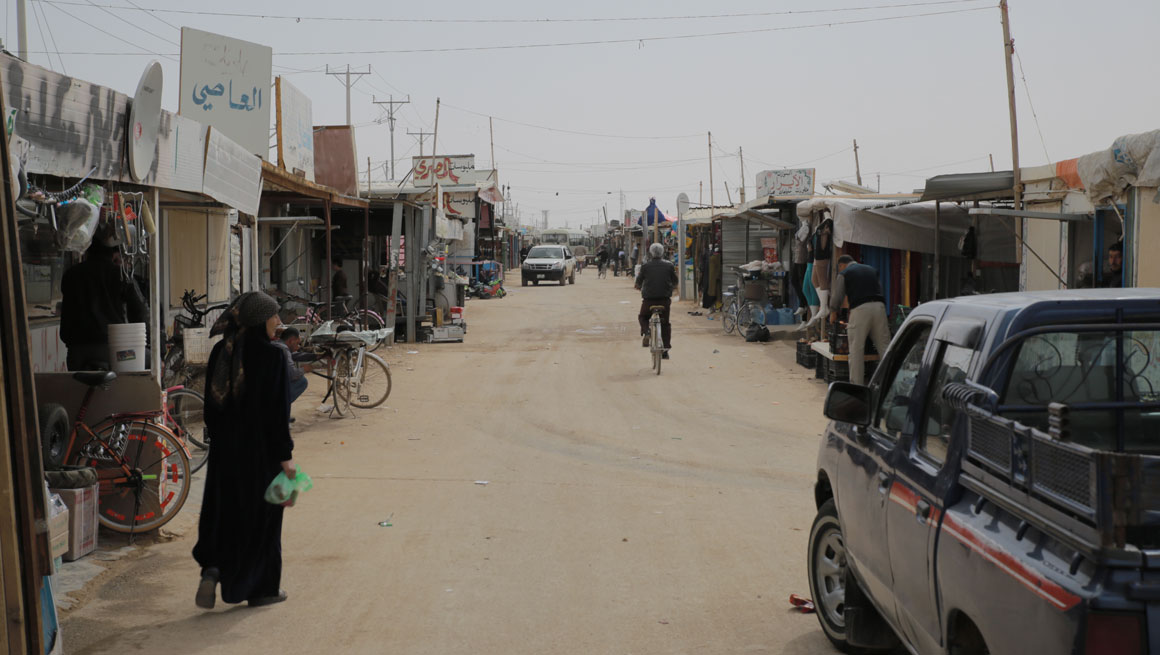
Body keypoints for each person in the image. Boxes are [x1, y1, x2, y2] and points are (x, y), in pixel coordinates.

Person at [194, 291, 296, 609]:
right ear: (259, 320)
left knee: (226, 515)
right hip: (261, 457)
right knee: (263, 523)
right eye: (274, 316)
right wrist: (286, 459)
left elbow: (209, 412)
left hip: (224, 457)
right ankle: (261, 589)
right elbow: (277, 416)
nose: (279, 323)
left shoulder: (220, 353)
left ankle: (213, 568)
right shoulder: (273, 356)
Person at [60, 236, 149, 371]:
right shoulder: (122, 274)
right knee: (150, 361)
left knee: (79, 390)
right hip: (116, 351)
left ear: (87, 251)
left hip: (77, 352)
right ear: (115, 254)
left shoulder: (70, 274)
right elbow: (140, 310)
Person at [829, 255, 891, 385]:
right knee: (885, 348)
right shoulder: (871, 269)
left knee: (856, 350)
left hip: (860, 309)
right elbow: (879, 289)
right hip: (879, 307)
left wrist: (833, 312)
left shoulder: (845, 273)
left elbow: (838, 295)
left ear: (841, 265)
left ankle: (857, 386)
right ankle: (891, 384)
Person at [635, 243, 678, 359]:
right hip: (664, 300)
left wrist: (638, 286)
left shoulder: (645, 266)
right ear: (663, 252)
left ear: (651, 253)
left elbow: (639, 281)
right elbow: (675, 280)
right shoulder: (669, 266)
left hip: (649, 300)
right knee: (665, 324)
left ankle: (646, 331)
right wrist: (671, 287)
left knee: (643, 317)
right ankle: (665, 351)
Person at [272, 327, 313, 406]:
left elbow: (296, 355)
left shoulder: (276, 344)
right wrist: (304, 369)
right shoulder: (284, 349)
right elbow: (292, 375)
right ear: (291, 340)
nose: (298, 346)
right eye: (297, 343)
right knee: (302, 381)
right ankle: (280, 408)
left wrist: (316, 356)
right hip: (272, 389)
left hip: (265, 385)